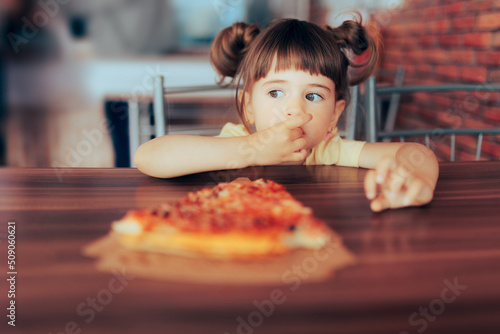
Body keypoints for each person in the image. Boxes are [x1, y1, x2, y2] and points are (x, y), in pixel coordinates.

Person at [135, 14, 439, 212]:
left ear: (334, 115)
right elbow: (149, 156)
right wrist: (251, 149)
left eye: (313, 95)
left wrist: (418, 183)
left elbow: (414, 153)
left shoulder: (327, 150)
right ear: (249, 105)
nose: (294, 108)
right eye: (276, 92)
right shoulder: (236, 140)